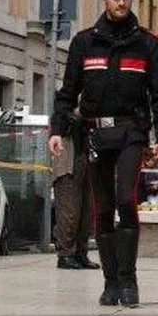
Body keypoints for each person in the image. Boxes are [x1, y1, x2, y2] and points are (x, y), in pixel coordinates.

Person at [49, 0, 158, 307]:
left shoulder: (147, 43)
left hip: (131, 132)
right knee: (102, 209)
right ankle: (110, 282)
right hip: (94, 135)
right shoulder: (85, 42)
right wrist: (57, 129)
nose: (121, 2)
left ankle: (129, 281)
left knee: (124, 200)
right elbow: (67, 91)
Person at [51, 109, 99, 270]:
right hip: (67, 161)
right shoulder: (64, 110)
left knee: (86, 211)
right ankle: (66, 254)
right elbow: (61, 122)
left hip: (84, 157)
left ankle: (80, 253)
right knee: (69, 210)